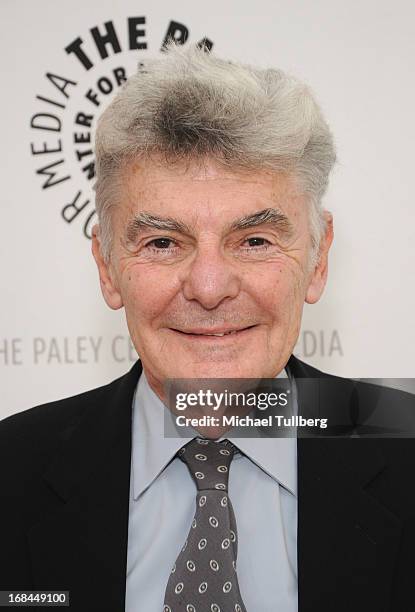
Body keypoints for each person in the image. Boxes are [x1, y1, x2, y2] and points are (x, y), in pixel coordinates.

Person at [0, 43, 414, 612]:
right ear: (107, 267)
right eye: (164, 242)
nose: (211, 287)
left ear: (318, 261)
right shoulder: (10, 471)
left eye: (255, 240)